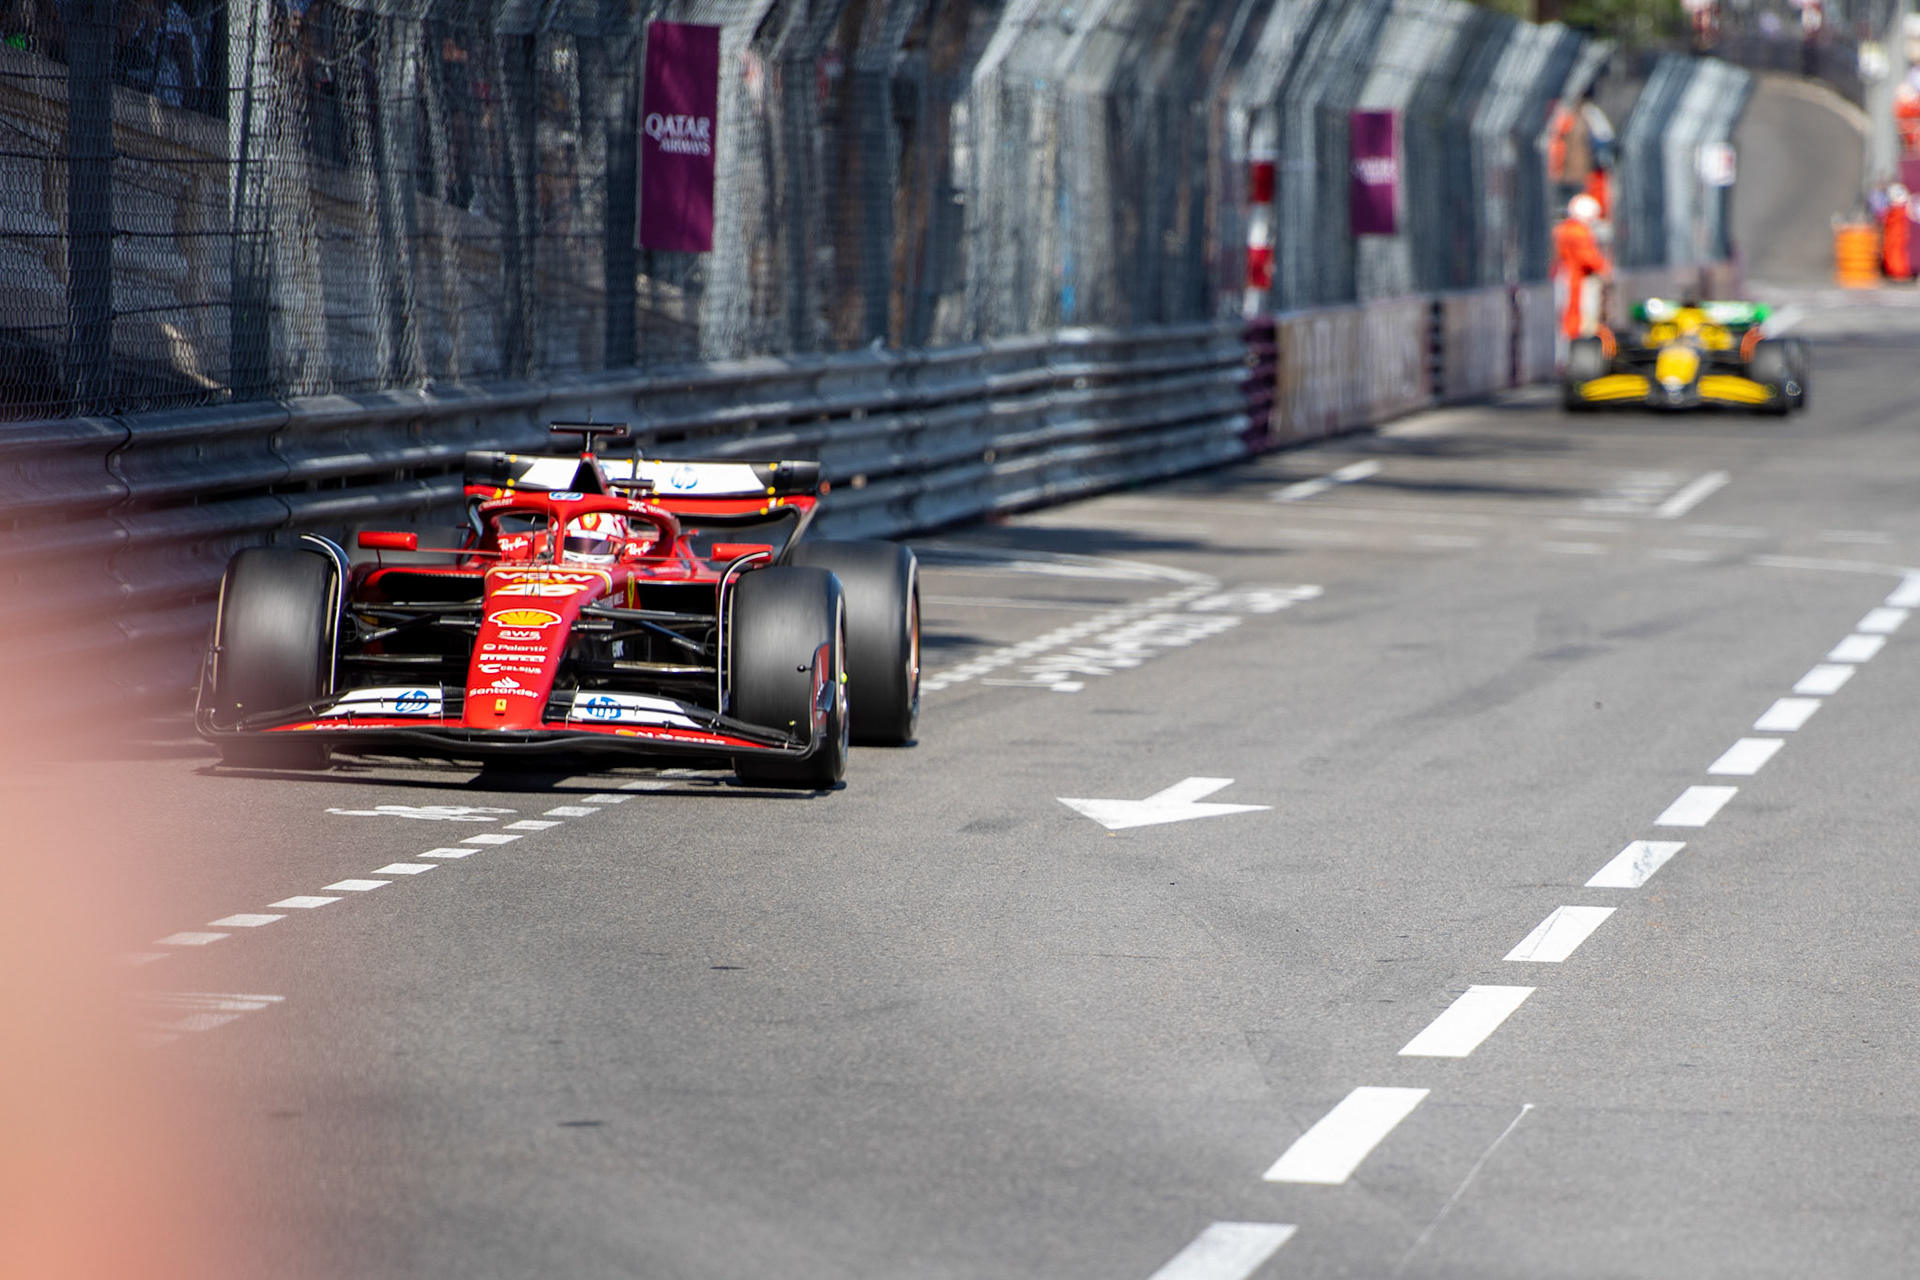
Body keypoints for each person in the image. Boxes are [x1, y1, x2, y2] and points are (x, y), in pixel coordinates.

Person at [1554, 194, 1611, 340]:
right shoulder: (1578, 232)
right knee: (1574, 312)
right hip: (1575, 279)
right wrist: (1604, 268)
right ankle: (1574, 341)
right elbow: (1588, 258)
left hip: (1567, 276)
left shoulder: (1565, 229)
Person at [1883, 184, 1914, 282]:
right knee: (1895, 251)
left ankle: (1898, 272)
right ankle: (1897, 272)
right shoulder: (1896, 212)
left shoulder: (1899, 212)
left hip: (1898, 237)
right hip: (1896, 237)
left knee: (1897, 252)